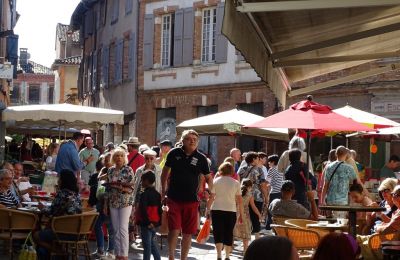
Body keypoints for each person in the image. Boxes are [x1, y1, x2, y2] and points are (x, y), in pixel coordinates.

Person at [161, 129, 212, 260]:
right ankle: (171, 256)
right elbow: (165, 173)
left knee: (188, 232)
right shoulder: (174, 153)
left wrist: (209, 190)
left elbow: (208, 177)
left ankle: (183, 258)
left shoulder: (201, 158)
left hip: (192, 200)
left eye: (195, 140)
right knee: (174, 229)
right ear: (183, 140)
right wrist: (163, 191)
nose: (192, 141)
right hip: (174, 198)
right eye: (189, 139)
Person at [33, 169, 82, 258]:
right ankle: (57, 252)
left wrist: (42, 208)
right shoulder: (77, 195)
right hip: (78, 232)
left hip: (62, 231)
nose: (58, 181)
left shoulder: (62, 194)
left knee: (36, 235)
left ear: (63, 181)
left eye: (59, 179)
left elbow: (51, 212)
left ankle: (59, 251)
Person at [206, 162, 243, 260]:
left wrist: (207, 209)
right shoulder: (236, 183)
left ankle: (218, 254)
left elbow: (211, 197)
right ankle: (227, 255)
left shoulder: (216, 181)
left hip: (217, 209)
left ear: (221, 170)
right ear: (231, 171)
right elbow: (240, 200)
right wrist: (241, 215)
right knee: (228, 232)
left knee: (218, 232)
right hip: (231, 210)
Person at [105, 148, 134, 260]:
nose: (119, 158)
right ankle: (118, 254)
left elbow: (132, 186)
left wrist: (120, 187)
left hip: (125, 201)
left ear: (124, 158)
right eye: (117, 156)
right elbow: (107, 188)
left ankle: (124, 254)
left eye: (121, 156)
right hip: (113, 201)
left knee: (123, 228)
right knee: (115, 229)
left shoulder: (128, 169)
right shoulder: (110, 170)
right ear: (114, 158)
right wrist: (105, 205)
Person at [237, 151, 268, 239]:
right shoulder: (259, 169)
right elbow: (262, 185)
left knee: (245, 216)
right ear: (254, 159)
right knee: (256, 217)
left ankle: (244, 238)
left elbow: (238, 181)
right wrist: (266, 197)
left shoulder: (242, 168)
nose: (259, 160)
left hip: (244, 195)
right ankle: (257, 238)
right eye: (258, 158)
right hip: (256, 195)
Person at [135, 171, 162, 260]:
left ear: (146, 181)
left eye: (142, 181)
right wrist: (158, 222)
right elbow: (159, 210)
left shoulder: (144, 194)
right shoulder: (157, 194)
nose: (142, 183)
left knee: (147, 246)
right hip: (155, 223)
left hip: (146, 223)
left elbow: (143, 209)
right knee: (152, 244)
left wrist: (147, 222)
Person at [92, 156, 115, 259]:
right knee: (97, 225)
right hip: (100, 201)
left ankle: (110, 251)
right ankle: (100, 249)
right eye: (105, 160)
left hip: (110, 202)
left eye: (107, 160)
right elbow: (99, 178)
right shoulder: (105, 170)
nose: (105, 162)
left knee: (111, 228)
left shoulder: (115, 171)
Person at [233, 178, 261, 253]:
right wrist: (259, 214)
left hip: (236, 213)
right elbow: (253, 207)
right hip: (245, 215)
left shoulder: (237, 193)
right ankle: (245, 250)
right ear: (250, 187)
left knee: (233, 230)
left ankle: (230, 248)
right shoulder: (249, 195)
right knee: (246, 232)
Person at [265, 154, 283, 230]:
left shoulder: (272, 169)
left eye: (269, 162)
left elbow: (267, 181)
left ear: (273, 162)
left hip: (274, 192)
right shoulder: (281, 169)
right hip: (281, 191)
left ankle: (269, 226)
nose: (268, 163)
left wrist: (267, 186)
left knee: (271, 209)